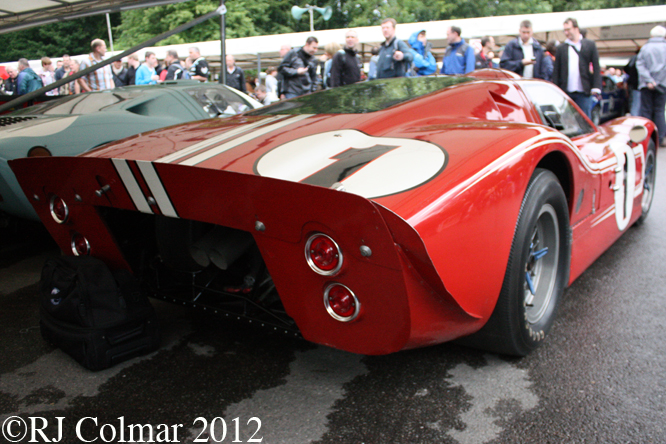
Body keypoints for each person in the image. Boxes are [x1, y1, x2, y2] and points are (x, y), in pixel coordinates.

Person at [552, 18, 601, 118]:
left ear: (576, 28)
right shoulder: (562, 48)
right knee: (566, 121)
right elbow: (556, 70)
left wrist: (596, 86)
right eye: (564, 30)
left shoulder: (589, 45)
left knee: (585, 120)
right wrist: (556, 89)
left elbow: (596, 67)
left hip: (584, 91)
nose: (566, 33)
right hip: (566, 92)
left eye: (568, 29)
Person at [637, 25, 666, 146]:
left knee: (646, 111)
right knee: (659, 111)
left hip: (646, 85)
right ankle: (660, 138)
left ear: (652, 35)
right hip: (662, 84)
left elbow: (640, 65)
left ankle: (646, 137)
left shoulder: (645, 48)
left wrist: (649, 80)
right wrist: (658, 81)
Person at [624, 49, 641, 116]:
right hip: (637, 84)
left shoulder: (633, 58)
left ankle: (634, 116)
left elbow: (626, 68)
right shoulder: (639, 58)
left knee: (633, 101)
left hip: (632, 83)